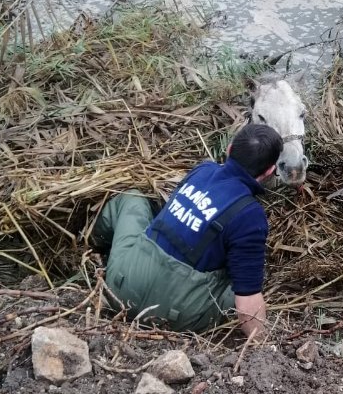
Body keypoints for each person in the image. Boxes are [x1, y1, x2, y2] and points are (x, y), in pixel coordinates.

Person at [93, 124, 283, 339]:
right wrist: (264, 346)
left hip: (120, 285)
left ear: (229, 150)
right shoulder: (250, 215)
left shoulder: (203, 170)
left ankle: (94, 246)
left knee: (132, 198)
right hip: (172, 316)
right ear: (269, 171)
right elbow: (246, 300)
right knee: (248, 281)